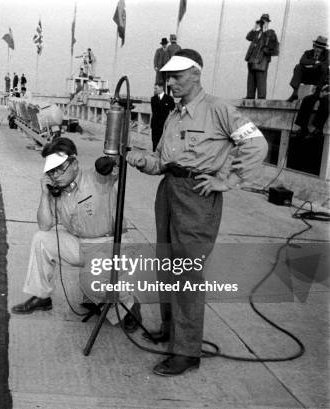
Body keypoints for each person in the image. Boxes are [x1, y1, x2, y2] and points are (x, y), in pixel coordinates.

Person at [126, 49, 268, 376]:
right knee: (165, 263)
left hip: (198, 196)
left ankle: (187, 351)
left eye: (176, 76)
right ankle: (170, 329)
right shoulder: (175, 114)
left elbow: (256, 144)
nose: (170, 82)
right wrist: (138, 159)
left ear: (196, 74)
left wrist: (229, 180)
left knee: (186, 273)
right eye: (167, 76)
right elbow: (161, 160)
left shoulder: (218, 108)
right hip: (169, 190)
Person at [11, 137, 138, 329]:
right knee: (41, 240)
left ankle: (129, 306)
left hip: (109, 244)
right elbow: (44, 226)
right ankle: (42, 296)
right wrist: (45, 195)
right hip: (80, 242)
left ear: (75, 164)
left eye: (60, 169)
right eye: (51, 171)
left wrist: (110, 162)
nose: (56, 176)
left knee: (88, 281)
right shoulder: (57, 191)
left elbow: (112, 168)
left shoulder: (97, 178)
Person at [244, 13, 278, 99]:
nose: (262, 23)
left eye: (264, 21)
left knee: (261, 79)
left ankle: (261, 97)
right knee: (251, 79)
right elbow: (248, 37)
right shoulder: (257, 32)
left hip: (262, 59)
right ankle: (250, 96)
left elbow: (273, 43)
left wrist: (266, 31)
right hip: (252, 59)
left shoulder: (271, 33)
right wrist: (255, 27)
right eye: (262, 21)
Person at [287, 36, 329, 102]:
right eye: (317, 47)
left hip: (319, 77)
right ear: (314, 46)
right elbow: (302, 61)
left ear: (323, 49)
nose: (318, 49)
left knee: (324, 68)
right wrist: (315, 62)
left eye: (320, 48)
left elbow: (326, 63)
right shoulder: (308, 52)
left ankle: (317, 92)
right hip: (308, 76)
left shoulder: (327, 53)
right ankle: (295, 93)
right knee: (298, 67)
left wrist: (315, 65)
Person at [150, 82, 175, 151]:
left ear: (161, 88)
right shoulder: (153, 99)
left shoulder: (169, 99)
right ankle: (154, 155)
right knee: (154, 141)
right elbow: (154, 112)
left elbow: (173, 111)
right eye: (154, 88)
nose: (155, 90)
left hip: (164, 124)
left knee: (163, 142)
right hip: (155, 125)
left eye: (156, 88)